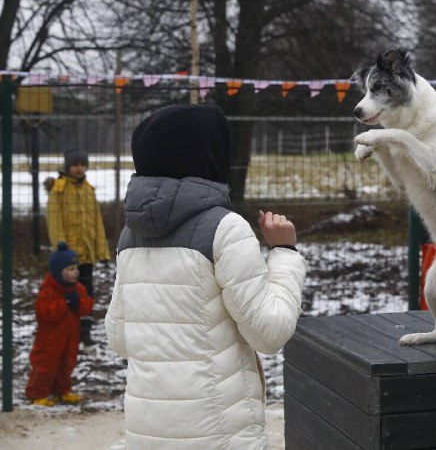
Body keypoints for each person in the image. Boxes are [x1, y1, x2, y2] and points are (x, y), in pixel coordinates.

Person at [105, 104, 307, 449]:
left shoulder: (131, 236)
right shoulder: (224, 229)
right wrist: (284, 254)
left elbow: (119, 337)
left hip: (148, 434)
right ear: (211, 155)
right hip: (220, 435)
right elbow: (269, 333)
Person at [46, 148, 110, 346]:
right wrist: (61, 249)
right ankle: (68, 330)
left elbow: (97, 222)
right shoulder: (59, 189)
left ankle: (85, 330)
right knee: (66, 293)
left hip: (87, 255)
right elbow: (54, 221)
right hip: (68, 257)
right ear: (68, 167)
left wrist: (102, 251)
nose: (79, 168)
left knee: (86, 293)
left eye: (83, 164)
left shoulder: (89, 190)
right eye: (75, 165)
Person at [25, 242, 93, 406]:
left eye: (75, 268)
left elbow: (87, 306)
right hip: (49, 339)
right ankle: (37, 393)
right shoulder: (48, 290)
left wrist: (78, 304)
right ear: (57, 271)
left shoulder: (77, 288)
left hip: (70, 337)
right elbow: (44, 312)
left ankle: (62, 391)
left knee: (66, 365)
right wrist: (65, 303)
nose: (75, 272)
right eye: (70, 269)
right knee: (45, 366)